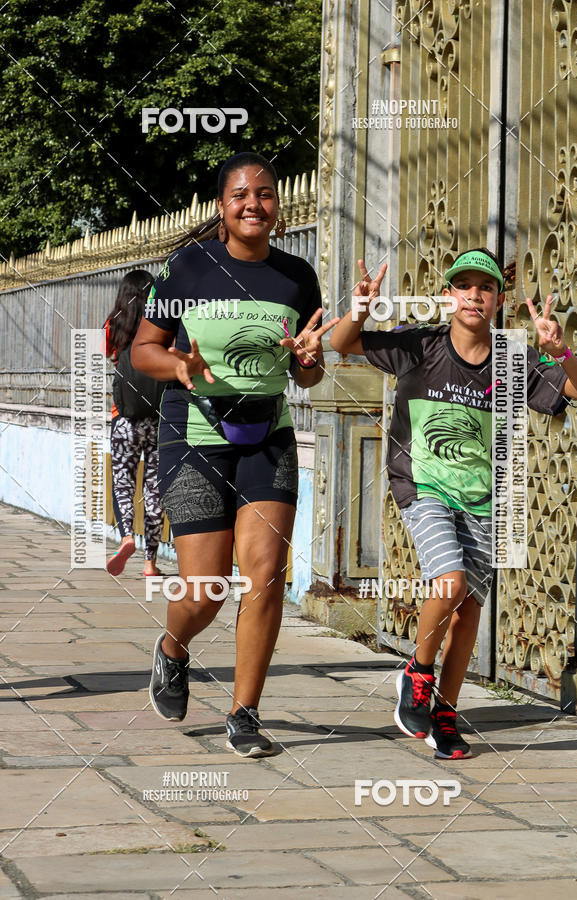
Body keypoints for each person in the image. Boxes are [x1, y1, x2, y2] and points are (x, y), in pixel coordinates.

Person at [330, 247, 577, 759]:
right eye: (464, 286)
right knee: (448, 582)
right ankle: (417, 672)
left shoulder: (514, 360)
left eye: (486, 287)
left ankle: (446, 717)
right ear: (449, 295)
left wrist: (560, 351)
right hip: (421, 486)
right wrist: (360, 306)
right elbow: (344, 343)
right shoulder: (421, 345)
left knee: (469, 610)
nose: (474, 295)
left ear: (499, 299)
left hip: (485, 498)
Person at [131, 151, 339, 757]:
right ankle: (173, 649)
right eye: (241, 195)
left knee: (267, 575)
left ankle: (245, 714)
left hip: (267, 437)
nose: (254, 204)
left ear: (279, 205)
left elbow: (310, 372)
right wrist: (178, 364)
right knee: (205, 591)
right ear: (223, 207)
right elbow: (144, 349)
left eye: (266, 194)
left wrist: (308, 363)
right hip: (193, 436)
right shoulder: (186, 269)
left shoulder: (297, 277)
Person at [104, 270, 165, 578]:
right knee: (154, 489)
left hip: (124, 418)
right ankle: (150, 563)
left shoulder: (112, 325)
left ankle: (127, 536)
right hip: (159, 419)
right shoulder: (163, 325)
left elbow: (111, 356)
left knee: (124, 482)